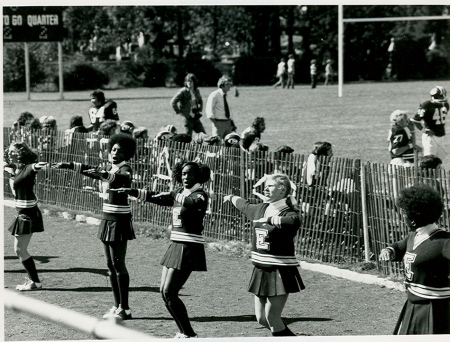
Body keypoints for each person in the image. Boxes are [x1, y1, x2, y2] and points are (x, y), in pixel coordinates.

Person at [114, 161, 211, 338]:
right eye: (183, 174)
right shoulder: (181, 193)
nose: (185, 177)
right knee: (164, 293)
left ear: (199, 176)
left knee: (170, 293)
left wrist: (174, 194)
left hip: (189, 248)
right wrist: (134, 192)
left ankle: (190, 334)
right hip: (175, 246)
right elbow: (159, 197)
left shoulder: (200, 195)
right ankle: (184, 333)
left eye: (190, 174)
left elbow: (191, 203)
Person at [52, 133, 137, 320]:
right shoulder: (109, 166)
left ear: (127, 153)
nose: (115, 153)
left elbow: (118, 178)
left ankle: (125, 308)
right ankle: (117, 306)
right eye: (113, 149)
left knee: (118, 264)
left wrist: (104, 173)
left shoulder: (125, 169)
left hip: (119, 221)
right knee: (109, 265)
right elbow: (93, 170)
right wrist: (71, 165)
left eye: (120, 151)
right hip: (107, 219)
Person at [224, 173, 304, 336]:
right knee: (261, 319)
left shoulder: (288, 213)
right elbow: (243, 205)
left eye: (270, 186)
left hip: (280, 270)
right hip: (261, 269)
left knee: (272, 317)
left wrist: (269, 220)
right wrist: (231, 197)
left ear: (281, 189)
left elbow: (294, 221)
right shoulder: (260, 209)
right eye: (265, 186)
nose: (265, 189)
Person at [379, 184, 450, 335]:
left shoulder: (444, 241)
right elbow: (399, 246)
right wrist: (388, 250)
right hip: (412, 304)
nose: (402, 217)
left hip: (436, 309)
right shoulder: (414, 236)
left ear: (413, 218)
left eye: (404, 213)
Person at [4, 142, 47, 291]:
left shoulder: (28, 168)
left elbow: (36, 167)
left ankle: (35, 282)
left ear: (20, 153)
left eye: (12, 152)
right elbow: (7, 167)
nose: (9, 154)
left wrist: (43, 164)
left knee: (20, 249)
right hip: (23, 213)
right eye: (8, 152)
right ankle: (34, 281)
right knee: (19, 249)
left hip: (28, 214)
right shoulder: (16, 169)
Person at [410, 86, 449, 160]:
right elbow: (415, 120)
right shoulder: (427, 105)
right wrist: (423, 130)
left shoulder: (445, 105)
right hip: (430, 137)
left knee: (440, 161)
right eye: (440, 95)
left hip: (441, 136)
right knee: (429, 160)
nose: (442, 97)